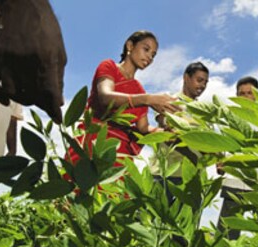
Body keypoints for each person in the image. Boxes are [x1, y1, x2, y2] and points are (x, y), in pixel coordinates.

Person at [66, 30, 180, 179]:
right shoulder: (109, 67)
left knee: (113, 198)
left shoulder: (139, 90)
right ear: (130, 45)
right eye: (146, 49)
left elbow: (143, 128)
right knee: (81, 192)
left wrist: (167, 133)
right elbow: (105, 97)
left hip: (119, 154)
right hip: (93, 144)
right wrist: (149, 99)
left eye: (153, 55)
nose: (149, 57)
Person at [217, 76, 258, 247]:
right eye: (241, 94)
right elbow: (222, 148)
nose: (245, 97)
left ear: (257, 95)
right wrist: (220, 160)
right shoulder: (230, 118)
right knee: (226, 234)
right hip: (235, 181)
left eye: (249, 93)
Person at [149, 61, 209, 204]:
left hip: (192, 179)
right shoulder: (171, 100)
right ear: (186, 78)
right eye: (199, 80)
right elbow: (166, 130)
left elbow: (208, 144)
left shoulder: (204, 112)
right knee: (152, 222)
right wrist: (192, 156)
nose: (202, 85)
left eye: (206, 82)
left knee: (185, 225)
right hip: (165, 174)